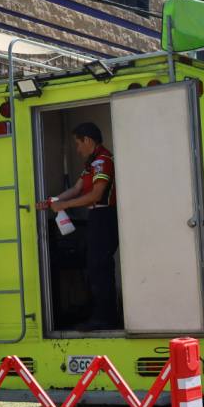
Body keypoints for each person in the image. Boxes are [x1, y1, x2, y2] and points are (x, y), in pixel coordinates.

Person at [36, 122, 119, 330]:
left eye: (78, 143)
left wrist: (63, 205)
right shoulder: (91, 164)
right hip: (96, 218)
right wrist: (51, 201)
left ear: (88, 141)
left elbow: (95, 195)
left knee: (100, 267)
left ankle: (105, 318)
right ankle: (100, 315)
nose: (77, 149)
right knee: (93, 266)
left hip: (105, 217)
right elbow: (75, 189)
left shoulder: (103, 161)